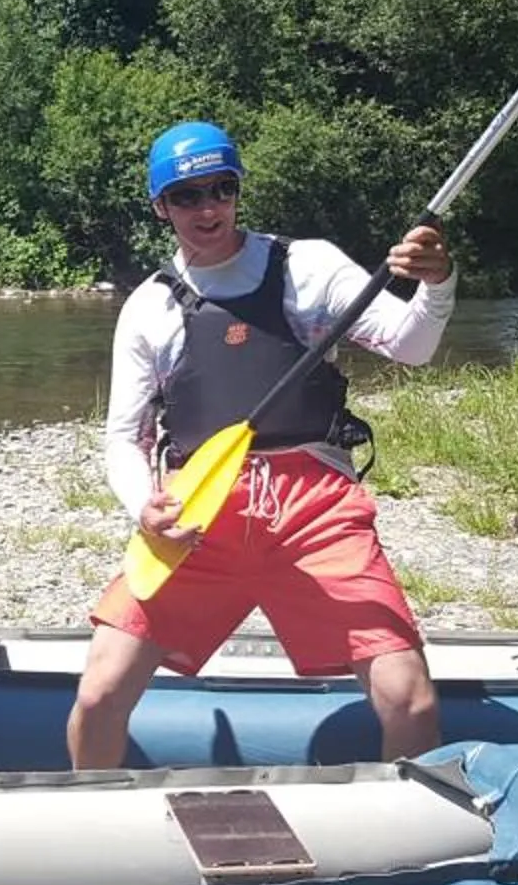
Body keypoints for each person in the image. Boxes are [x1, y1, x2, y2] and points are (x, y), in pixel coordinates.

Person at [67, 120, 454, 769]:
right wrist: (145, 506)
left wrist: (436, 285)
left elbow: (412, 347)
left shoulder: (309, 266)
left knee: (408, 698)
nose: (207, 207)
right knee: (100, 691)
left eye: (220, 188)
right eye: (187, 195)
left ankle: (410, 829)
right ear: (162, 206)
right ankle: (94, 823)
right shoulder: (150, 308)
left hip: (317, 509)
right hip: (198, 514)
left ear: (238, 189)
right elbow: (123, 438)